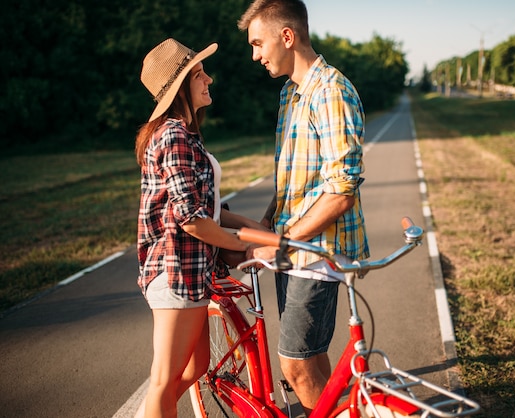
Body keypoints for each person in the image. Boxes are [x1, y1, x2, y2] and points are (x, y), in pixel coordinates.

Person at [238, 1, 370, 414]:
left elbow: (340, 191)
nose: (255, 54)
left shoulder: (330, 91)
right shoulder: (291, 93)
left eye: (258, 43)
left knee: (294, 366)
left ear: (287, 37)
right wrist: (265, 226)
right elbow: (293, 175)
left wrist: (279, 242)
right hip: (296, 249)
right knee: (310, 357)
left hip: (319, 250)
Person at [134, 38, 265, 418]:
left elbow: (211, 210)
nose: (209, 79)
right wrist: (242, 245)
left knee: (195, 368)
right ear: (179, 89)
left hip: (193, 274)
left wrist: (262, 232)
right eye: (198, 74)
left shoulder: (186, 135)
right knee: (164, 380)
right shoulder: (173, 136)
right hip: (174, 273)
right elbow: (191, 219)